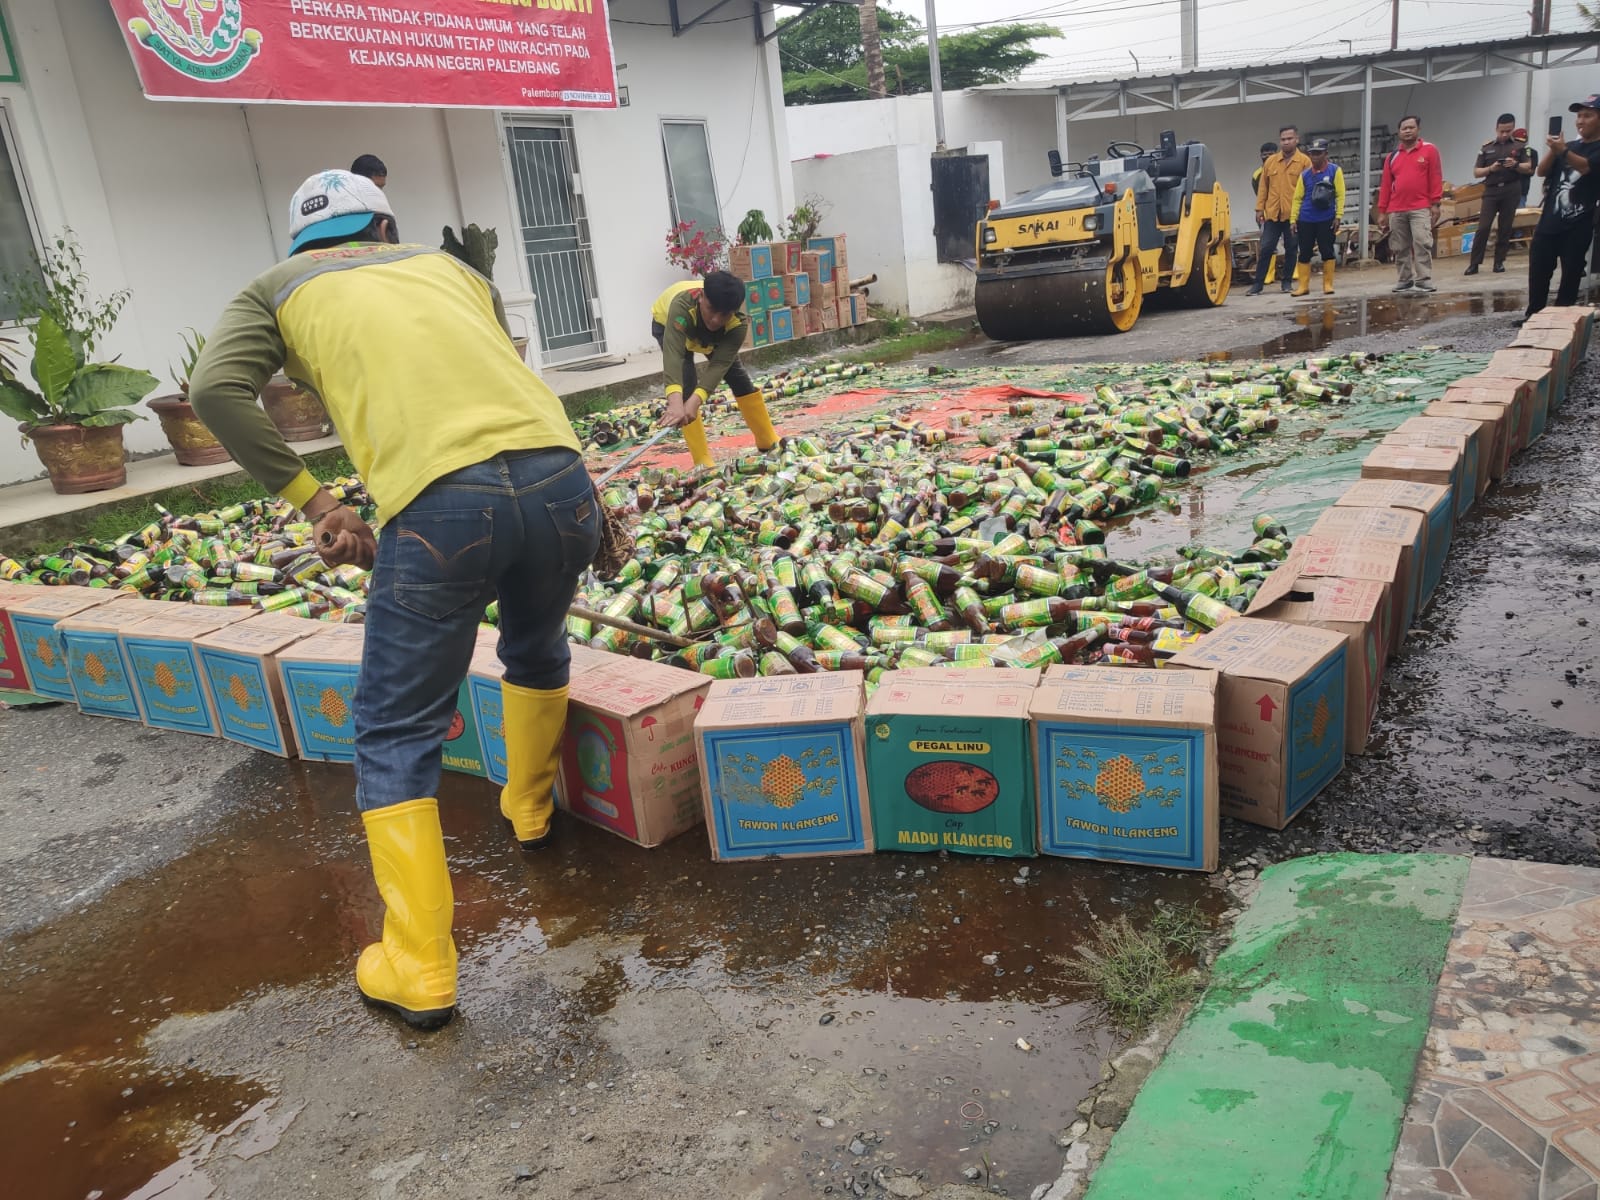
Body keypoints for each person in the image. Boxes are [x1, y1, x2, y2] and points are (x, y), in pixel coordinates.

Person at [188, 170, 598, 1031]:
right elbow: (497, 364)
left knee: (394, 728)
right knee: (536, 646)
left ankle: (420, 965)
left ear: (301, 245)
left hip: (442, 504)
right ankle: (528, 810)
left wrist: (320, 503)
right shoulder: (452, 271)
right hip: (562, 477)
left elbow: (213, 392)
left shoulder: (274, 287)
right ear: (385, 224)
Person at [651, 273, 778, 467]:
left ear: (734, 312)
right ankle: (702, 459)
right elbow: (673, 355)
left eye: (724, 314)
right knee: (686, 382)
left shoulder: (737, 325)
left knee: (738, 378)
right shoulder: (682, 308)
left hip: (709, 336)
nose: (716, 320)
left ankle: (767, 440)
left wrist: (696, 401)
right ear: (701, 296)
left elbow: (719, 364)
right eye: (711, 310)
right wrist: (676, 403)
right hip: (670, 324)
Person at [1524, 94, 1600, 319]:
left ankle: (1561, 318)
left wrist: (1563, 151)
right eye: (1578, 116)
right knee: (1539, 270)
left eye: (1588, 115)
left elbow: (1586, 168)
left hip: (1578, 223)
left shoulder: (1595, 149)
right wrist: (1555, 148)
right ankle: (1534, 315)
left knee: (1571, 273)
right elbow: (1541, 171)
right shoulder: (1569, 146)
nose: (1581, 120)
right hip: (1550, 221)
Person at [1378, 115, 1443, 294]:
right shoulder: (1392, 157)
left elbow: (1435, 176)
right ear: (1399, 132)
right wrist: (1382, 211)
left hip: (1421, 206)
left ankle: (1424, 280)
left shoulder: (1429, 151)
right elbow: (1385, 185)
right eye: (1404, 128)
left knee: (1422, 242)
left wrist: (1435, 203)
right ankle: (1404, 279)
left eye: (1411, 127)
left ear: (1418, 129)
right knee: (1399, 246)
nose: (1407, 131)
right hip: (1397, 208)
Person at [1466, 114, 1536, 275]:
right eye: (1501, 131)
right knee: (1483, 227)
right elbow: (1477, 172)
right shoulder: (1487, 147)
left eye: (1508, 131)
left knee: (1505, 227)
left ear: (1512, 129)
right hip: (1491, 190)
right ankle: (1474, 263)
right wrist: (1491, 168)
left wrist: (1516, 164)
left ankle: (1499, 262)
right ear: (1496, 129)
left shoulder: (1520, 146)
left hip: (1511, 189)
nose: (1504, 134)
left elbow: (1529, 167)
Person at [1247, 126, 1310, 295]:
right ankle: (1258, 285)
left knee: (1291, 248)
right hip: (1272, 214)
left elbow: (1309, 189)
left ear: (1296, 139)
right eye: (1283, 139)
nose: (1286, 142)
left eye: (1289, 138)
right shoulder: (1271, 162)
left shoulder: (1304, 162)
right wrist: (1259, 209)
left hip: (1294, 216)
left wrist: (1305, 212)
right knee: (1266, 247)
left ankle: (1287, 282)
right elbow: (1263, 188)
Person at [1291, 139, 1346, 296]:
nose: (1314, 157)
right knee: (1305, 252)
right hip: (1306, 218)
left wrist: (1338, 216)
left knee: (1327, 250)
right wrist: (1293, 219)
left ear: (1325, 154)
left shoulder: (1335, 171)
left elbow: (1340, 194)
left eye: (1318, 153)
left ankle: (1327, 284)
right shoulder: (1305, 175)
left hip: (1326, 218)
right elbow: (1297, 198)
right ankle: (1303, 286)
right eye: (1312, 154)